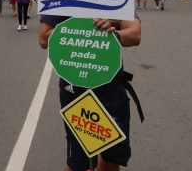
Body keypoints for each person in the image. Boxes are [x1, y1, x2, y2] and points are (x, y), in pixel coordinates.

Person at [39, 15, 142, 171]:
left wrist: (107, 35)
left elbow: (135, 35)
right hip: (76, 92)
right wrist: (82, 30)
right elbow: (44, 39)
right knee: (79, 164)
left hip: (111, 91)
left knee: (112, 159)